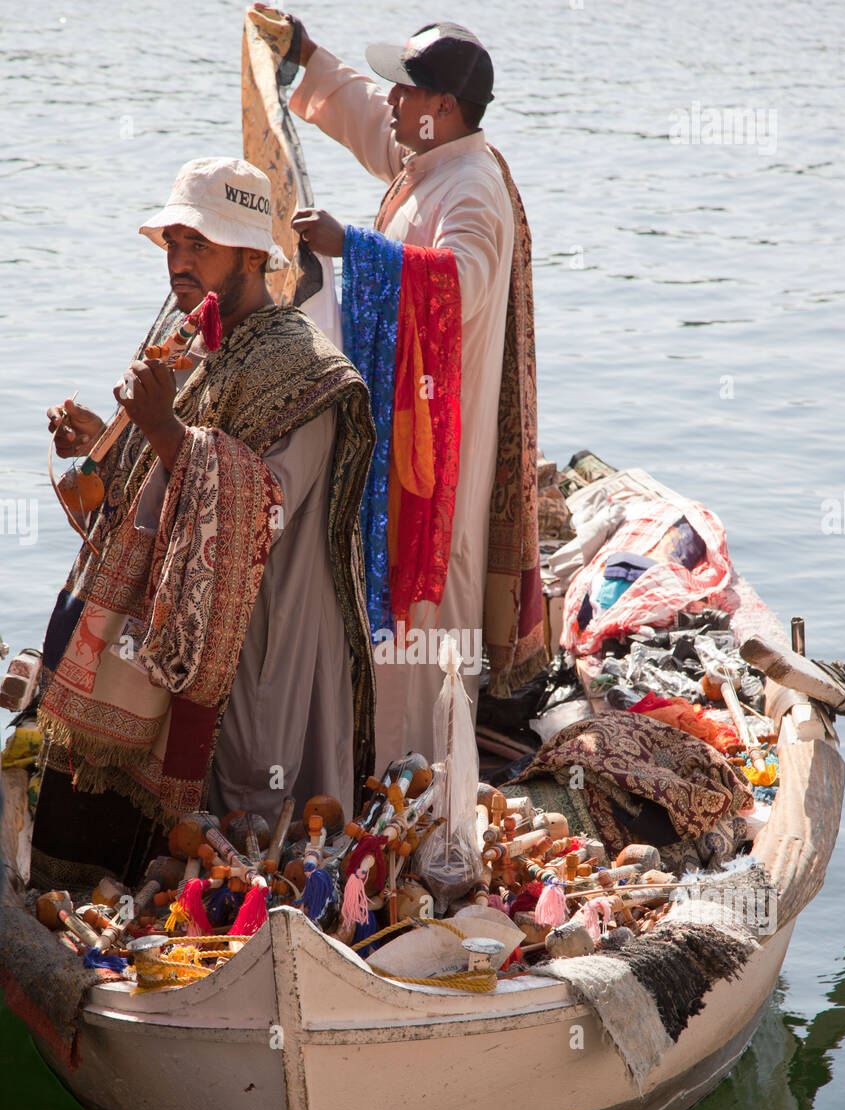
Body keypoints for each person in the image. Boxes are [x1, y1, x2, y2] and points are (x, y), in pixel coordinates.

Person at [33, 156, 376, 890]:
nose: (180, 265)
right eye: (174, 246)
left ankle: (244, 911)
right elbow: (164, 466)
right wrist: (107, 441)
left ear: (253, 257)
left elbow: (265, 506)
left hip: (268, 626)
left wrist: (161, 432)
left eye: (201, 248)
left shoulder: (310, 372)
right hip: (183, 620)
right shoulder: (196, 336)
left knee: (254, 807)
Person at [286, 17, 546, 772]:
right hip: (408, 419)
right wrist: (308, 57)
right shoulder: (432, 161)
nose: (393, 101)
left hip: (439, 441)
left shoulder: (474, 191)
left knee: (426, 593)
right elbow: (369, 114)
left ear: (447, 106)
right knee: (395, 591)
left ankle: (422, 777)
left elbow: (456, 283)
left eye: (408, 89)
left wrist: (353, 249)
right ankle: (377, 760)